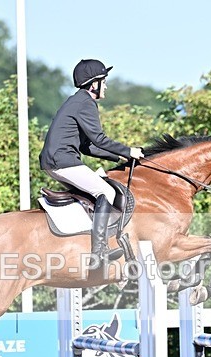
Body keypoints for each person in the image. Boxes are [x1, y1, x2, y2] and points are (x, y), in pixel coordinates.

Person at [39, 59, 144, 266]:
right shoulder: (86, 103)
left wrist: (119, 157)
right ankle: (99, 252)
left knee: (94, 193)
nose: (106, 86)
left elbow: (87, 147)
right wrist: (129, 150)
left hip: (55, 160)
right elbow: (99, 139)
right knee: (106, 192)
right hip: (63, 161)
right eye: (104, 82)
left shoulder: (77, 101)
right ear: (94, 84)